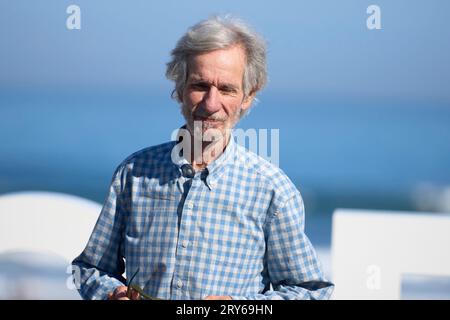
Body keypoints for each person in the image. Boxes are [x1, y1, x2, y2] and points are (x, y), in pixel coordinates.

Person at [72, 16, 334, 300]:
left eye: (226, 89)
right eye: (200, 85)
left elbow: (311, 292)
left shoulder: (271, 190)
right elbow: (89, 269)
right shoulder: (133, 174)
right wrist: (111, 294)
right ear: (179, 89)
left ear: (247, 96)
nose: (211, 104)